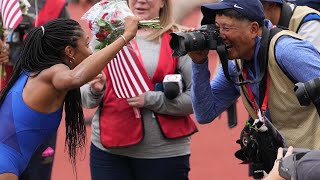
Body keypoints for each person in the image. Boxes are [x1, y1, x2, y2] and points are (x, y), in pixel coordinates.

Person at [0, 17, 139, 180]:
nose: (90, 51)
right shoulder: (53, 72)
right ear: (69, 52)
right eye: (87, 45)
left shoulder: (33, 69)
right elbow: (76, 77)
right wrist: (126, 35)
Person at [81, 0, 198, 179]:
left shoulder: (180, 38)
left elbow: (196, 100)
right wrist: (95, 90)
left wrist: (151, 100)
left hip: (164, 154)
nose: (141, 1)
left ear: (162, 2)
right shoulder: (105, 35)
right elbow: (84, 98)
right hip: (108, 152)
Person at [190, 0, 320, 150]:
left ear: (253, 29)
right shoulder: (235, 64)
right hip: (282, 163)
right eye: (217, 28)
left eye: (226, 28)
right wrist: (199, 63)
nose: (219, 36)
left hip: (312, 163)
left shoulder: (286, 51)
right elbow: (204, 113)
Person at [16, 1, 71, 180]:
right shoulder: (8, 4)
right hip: (11, 89)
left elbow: (70, 46)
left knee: (41, 162)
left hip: (44, 95)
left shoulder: (58, 5)